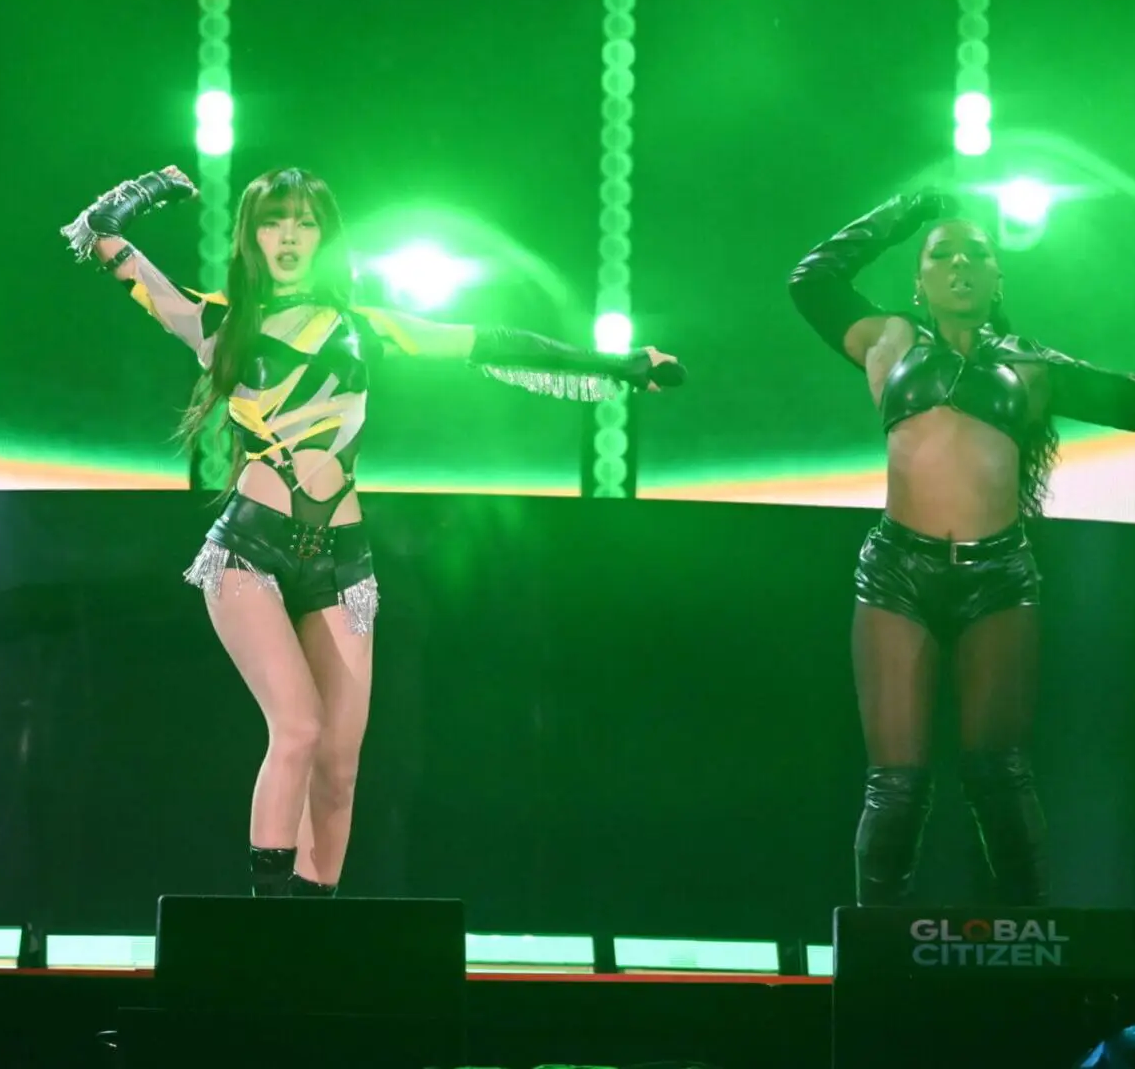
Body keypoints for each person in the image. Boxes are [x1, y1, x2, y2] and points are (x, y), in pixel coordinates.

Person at [61, 165, 684, 897]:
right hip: (248, 555)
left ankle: (313, 929)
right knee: (297, 728)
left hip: (343, 564)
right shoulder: (217, 322)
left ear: (326, 236)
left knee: (339, 768)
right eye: (272, 221)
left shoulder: (366, 327)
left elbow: (492, 341)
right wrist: (151, 189)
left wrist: (618, 365)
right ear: (250, 236)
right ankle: (264, 928)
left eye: (304, 223)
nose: (288, 236)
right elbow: (100, 237)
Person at [787, 189, 1135, 906]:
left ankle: (1030, 946)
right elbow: (812, 280)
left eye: (976, 254)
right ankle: (880, 952)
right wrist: (906, 210)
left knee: (999, 776)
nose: (960, 264)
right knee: (896, 785)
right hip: (897, 575)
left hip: (998, 576)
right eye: (942, 255)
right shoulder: (888, 341)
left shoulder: (1030, 365)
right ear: (920, 281)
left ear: (998, 278)